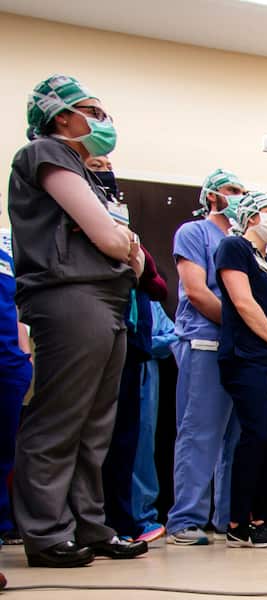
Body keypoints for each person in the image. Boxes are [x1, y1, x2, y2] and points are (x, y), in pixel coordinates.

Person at [7, 74, 148, 567]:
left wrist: (125, 247)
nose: (102, 120)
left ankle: (90, 525)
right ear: (60, 115)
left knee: (95, 424)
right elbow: (112, 240)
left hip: (108, 298)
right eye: (92, 110)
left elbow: (134, 255)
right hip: (70, 295)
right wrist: (123, 245)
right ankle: (46, 533)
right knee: (59, 418)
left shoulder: (88, 172)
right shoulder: (45, 153)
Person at [86, 156, 169, 543]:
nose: (105, 168)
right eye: (95, 162)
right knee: (89, 435)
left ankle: (122, 523)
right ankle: (82, 523)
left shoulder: (127, 233)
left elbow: (154, 281)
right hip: (92, 334)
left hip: (131, 343)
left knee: (126, 438)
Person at [215, 190, 267, 548]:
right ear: (251, 216)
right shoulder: (233, 248)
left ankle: (261, 520)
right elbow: (243, 303)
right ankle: (238, 522)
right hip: (245, 356)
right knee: (255, 434)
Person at [167, 168, 245, 546]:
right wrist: (240, 325)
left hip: (238, 348)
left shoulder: (241, 244)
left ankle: (227, 519)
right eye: (232, 190)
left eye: (244, 191)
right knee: (199, 433)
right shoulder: (193, 233)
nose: (240, 196)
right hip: (205, 342)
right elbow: (197, 292)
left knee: (235, 439)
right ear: (212, 196)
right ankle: (185, 520)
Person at [130, 299, 178, 542]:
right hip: (111, 368)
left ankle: (141, 516)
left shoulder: (150, 301)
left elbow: (172, 336)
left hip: (144, 374)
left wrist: (141, 344)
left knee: (141, 447)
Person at [1, 219, 32, 549]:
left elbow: (16, 308)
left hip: (9, 361)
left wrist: (25, 358)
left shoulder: (7, 252)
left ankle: (4, 523)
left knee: (6, 447)